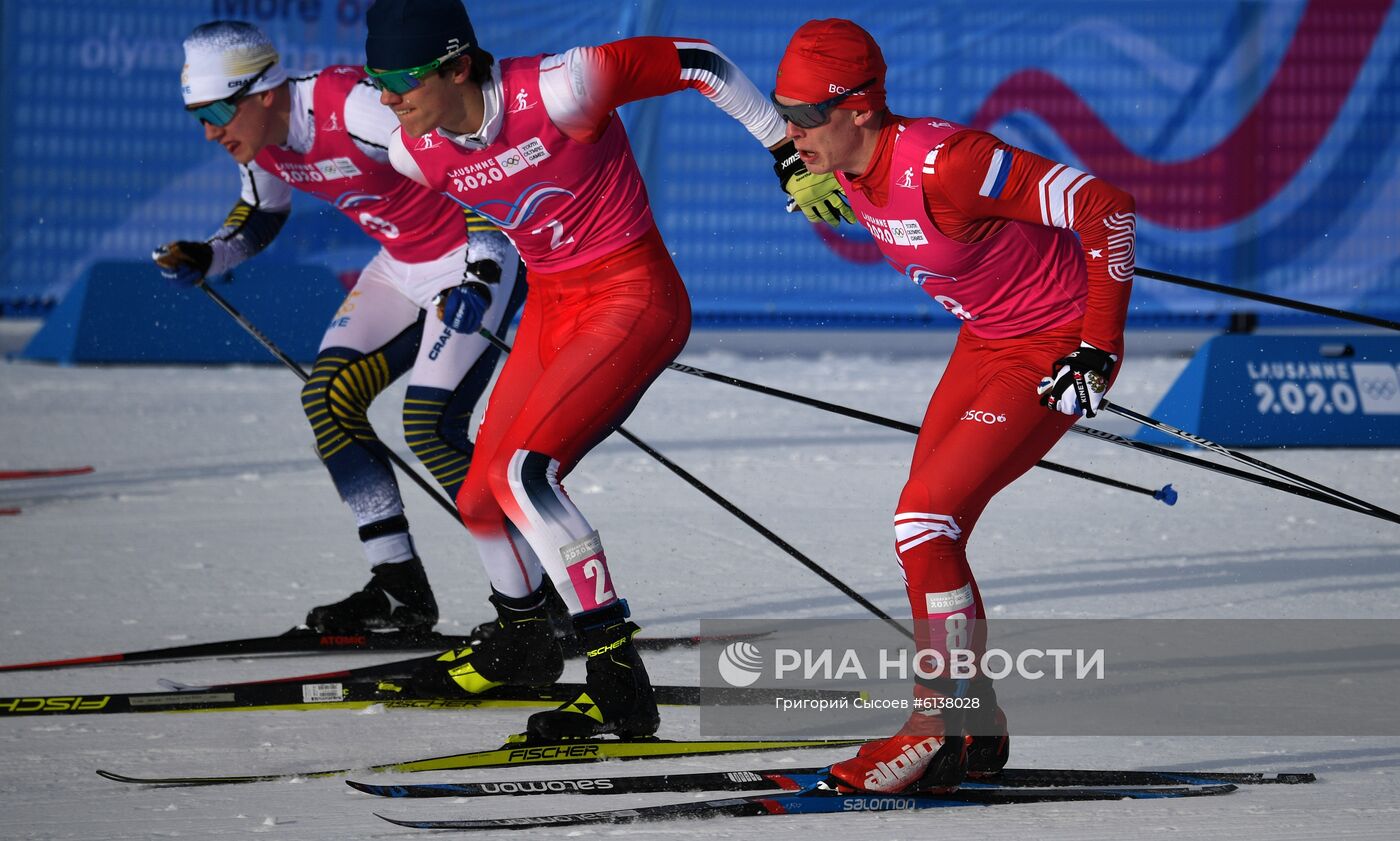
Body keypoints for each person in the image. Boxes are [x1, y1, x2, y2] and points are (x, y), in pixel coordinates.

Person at [360, 0, 845, 740]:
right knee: (481, 495)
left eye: (399, 80)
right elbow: (488, 195)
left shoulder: (562, 85)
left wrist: (783, 147)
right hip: (555, 305)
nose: (388, 98)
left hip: (633, 293)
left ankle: (617, 674)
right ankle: (522, 640)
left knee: (525, 474)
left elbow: (700, 61)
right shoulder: (411, 148)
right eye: (377, 80)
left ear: (458, 66)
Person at [771, 19, 1136, 793]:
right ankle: (973, 720)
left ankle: (935, 727)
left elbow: (1106, 208)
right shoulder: (839, 156)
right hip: (985, 340)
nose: (790, 131)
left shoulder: (950, 162)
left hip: (1052, 345)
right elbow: (821, 158)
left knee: (922, 520)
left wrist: (1097, 350)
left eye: (804, 118)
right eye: (784, 112)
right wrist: (799, 166)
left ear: (862, 108)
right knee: (931, 531)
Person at [154, 21, 528, 636]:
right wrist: (209, 254)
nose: (211, 129)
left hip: (469, 260)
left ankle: (538, 606)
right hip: (401, 264)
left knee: (430, 427)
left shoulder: (349, 108)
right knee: (327, 400)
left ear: (265, 91)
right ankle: (398, 590)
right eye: (198, 114)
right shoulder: (261, 141)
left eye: (220, 109)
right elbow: (262, 212)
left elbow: (470, 164)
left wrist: (481, 271)